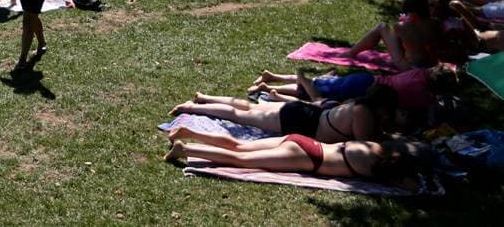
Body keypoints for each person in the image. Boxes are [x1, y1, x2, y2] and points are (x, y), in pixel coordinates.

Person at [164, 129, 427, 185]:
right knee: (240, 160)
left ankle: (190, 132)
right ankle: (186, 149)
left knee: (239, 145)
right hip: (308, 156)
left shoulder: (373, 145)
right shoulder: (376, 169)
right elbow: (409, 186)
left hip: (303, 141)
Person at [170, 85, 398, 142]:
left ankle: (206, 98)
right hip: (300, 121)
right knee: (240, 115)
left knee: (248, 108)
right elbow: (364, 143)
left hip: (305, 114)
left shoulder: (355, 103)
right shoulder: (363, 113)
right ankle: (193, 107)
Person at [250, 65, 456, 110]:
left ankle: (271, 80)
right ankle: (270, 87)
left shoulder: (419, 73)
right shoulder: (421, 92)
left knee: (322, 83)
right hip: (363, 88)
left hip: (366, 79)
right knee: (316, 92)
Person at [349, 0, 438, 69]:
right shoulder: (436, 23)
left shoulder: (401, 26)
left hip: (409, 67)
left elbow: (399, 45)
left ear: (413, 14)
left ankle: (350, 53)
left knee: (382, 27)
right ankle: (350, 52)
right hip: (432, 67)